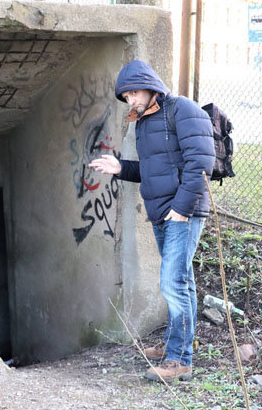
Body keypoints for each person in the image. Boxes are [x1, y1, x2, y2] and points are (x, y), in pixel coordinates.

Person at [88, 60, 215, 381]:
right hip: (162, 212)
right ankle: (176, 344)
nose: (130, 100)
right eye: (126, 97)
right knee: (181, 282)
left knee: (173, 283)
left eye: (133, 93)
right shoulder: (144, 122)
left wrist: (182, 209)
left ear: (150, 85)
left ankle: (179, 360)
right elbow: (154, 169)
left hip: (182, 213)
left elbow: (201, 163)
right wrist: (121, 168)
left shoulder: (182, 109)